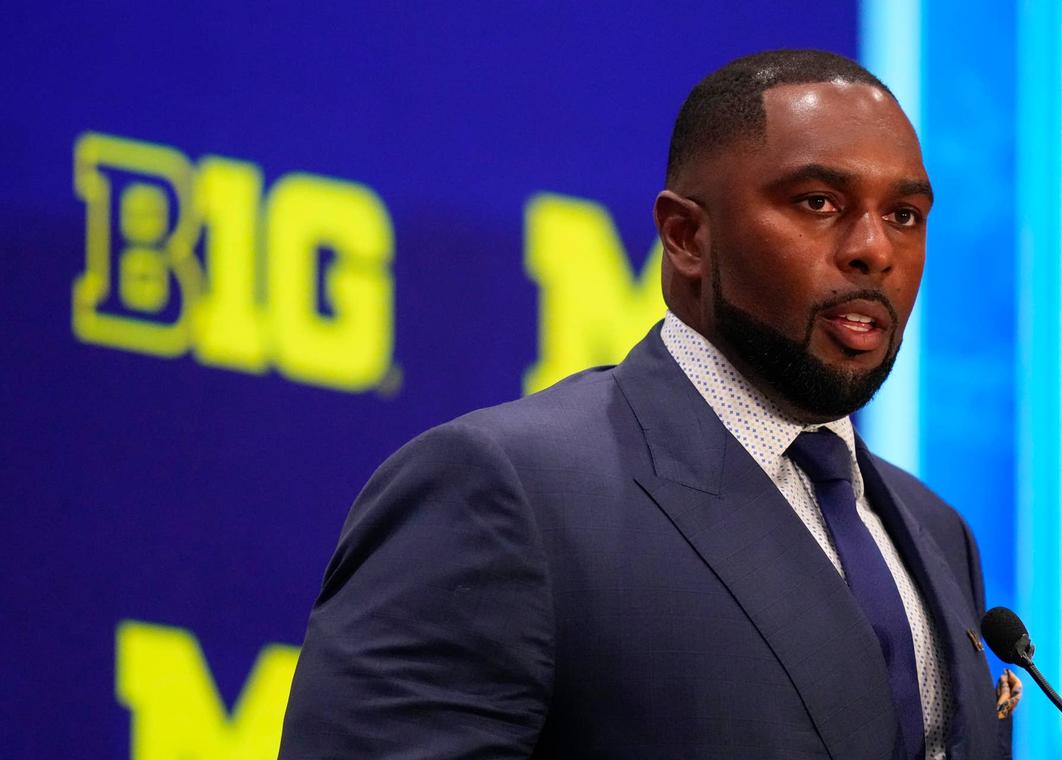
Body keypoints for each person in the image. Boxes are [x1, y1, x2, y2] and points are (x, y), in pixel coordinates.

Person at [278, 49, 1011, 759]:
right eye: (818, 203)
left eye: (905, 215)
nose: (873, 250)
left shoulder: (936, 532)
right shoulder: (509, 491)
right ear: (686, 236)